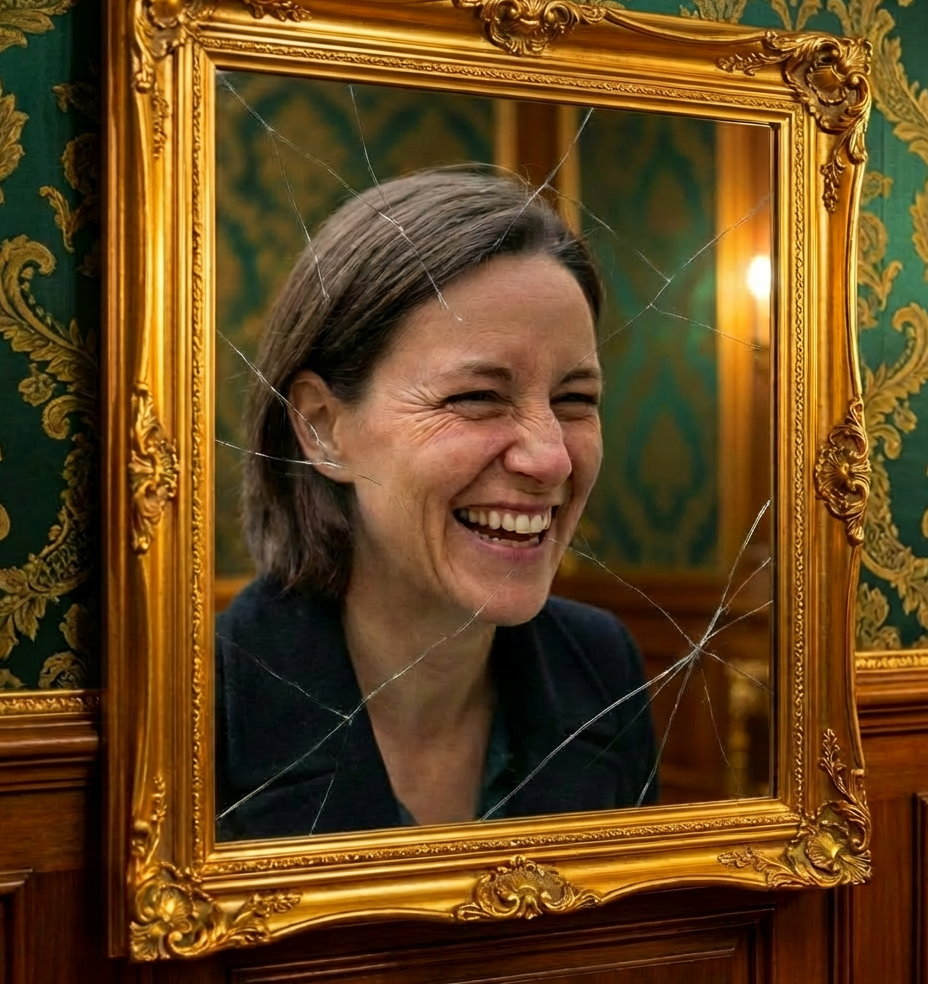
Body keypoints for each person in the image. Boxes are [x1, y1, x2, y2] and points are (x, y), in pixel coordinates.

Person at [215, 169, 658, 840]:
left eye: (575, 401)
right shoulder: (200, 707)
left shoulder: (599, 666)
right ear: (321, 427)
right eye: (476, 397)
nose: (550, 458)